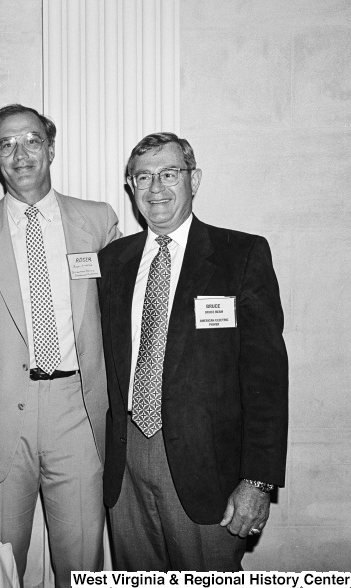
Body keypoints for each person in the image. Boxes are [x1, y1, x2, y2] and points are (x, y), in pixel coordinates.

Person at [0, 104, 120, 584]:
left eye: (32, 141)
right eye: (7, 144)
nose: (21, 154)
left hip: (78, 412)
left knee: (83, 561)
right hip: (0, 418)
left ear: (51, 148)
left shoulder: (99, 222)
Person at [98, 132, 288, 571]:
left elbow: (266, 382)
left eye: (169, 174)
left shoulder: (240, 255)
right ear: (130, 188)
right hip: (126, 466)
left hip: (208, 468)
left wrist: (258, 480)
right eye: (142, 177)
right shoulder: (112, 262)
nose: (156, 189)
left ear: (194, 179)